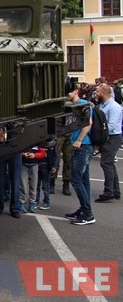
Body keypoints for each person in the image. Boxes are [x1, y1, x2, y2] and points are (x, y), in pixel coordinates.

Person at [65, 88, 94, 225]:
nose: (66, 96)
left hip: (83, 146)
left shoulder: (82, 104)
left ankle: (88, 214)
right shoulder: (79, 105)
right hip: (83, 146)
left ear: (75, 91)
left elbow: (88, 123)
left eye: (68, 93)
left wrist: (79, 140)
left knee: (75, 179)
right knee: (84, 180)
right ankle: (84, 209)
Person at [95, 84, 122, 202]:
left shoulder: (114, 107)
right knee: (109, 163)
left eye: (97, 92)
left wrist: (98, 134)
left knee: (106, 163)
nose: (95, 94)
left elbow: (111, 126)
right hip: (108, 137)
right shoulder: (102, 105)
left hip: (113, 137)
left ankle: (109, 192)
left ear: (104, 93)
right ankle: (115, 191)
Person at [0, 153, 23, 218]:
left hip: (17, 149)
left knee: (16, 180)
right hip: (1, 149)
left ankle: (15, 208)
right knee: (0, 179)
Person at [20, 144, 46, 213]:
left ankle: (32, 203)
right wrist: (23, 154)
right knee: (23, 186)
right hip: (23, 164)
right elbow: (18, 150)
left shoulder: (38, 142)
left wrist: (35, 155)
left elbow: (43, 153)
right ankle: (22, 203)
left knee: (33, 186)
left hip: (34, 165)